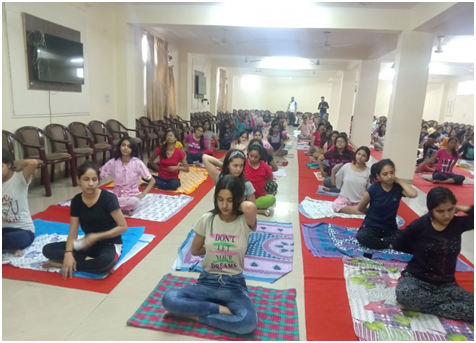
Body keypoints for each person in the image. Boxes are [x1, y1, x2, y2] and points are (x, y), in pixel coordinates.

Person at [161, 175, 258, 335]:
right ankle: (219, 310)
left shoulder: (244, 221)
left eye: (230, 200)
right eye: (220, 199)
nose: (224, 205)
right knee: (169, 299)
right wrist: (216, 248)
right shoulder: (207, 219)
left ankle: (193, 317)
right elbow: (195, 250)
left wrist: (238, 198)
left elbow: (250, 208)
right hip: (207, 282)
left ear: (238, 199)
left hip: (234, 285)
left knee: (247, 323)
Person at [393, 187, 474, 322]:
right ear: (431, 210)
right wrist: (418, 250)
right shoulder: (420, 225)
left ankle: (420, 307)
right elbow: (398, 243)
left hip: (447, 286)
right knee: (404, 294)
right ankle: (431, 304)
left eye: (450, 209)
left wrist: (460, 208)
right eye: (440, 211)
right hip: (417, 281)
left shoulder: (458, 224)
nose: (447, 215)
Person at [42, 161, 128, 278]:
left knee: (104, 262)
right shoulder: (77, 201)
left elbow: (123, 227)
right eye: (86, 179)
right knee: (48, 249)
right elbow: (73, 232)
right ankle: (84, 262)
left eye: (94, 179)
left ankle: (62, 265)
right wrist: (68, 253)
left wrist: (96, 236)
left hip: (109, 244)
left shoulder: (108, 198)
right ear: (78, 180)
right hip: (87, 244)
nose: (91, 183)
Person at [356, 159, 418, 250]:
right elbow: (361, 208)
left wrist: (399, 180)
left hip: (390, 228)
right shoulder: (373, 189)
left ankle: (379, 242)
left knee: (411, 236)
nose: (389, 176)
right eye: (385, 174)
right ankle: (388, 245)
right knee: (362, 236)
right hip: (371, 226)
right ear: (378, 176)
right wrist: (373, 214)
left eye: (392, 172)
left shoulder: (397, 189)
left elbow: (413, 194)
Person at [100, 137, 155, 215]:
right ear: (119, 147)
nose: (125, 148)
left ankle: (114, 209)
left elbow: (152, 180)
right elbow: (100, 174)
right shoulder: (113, 162)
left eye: (129, 146)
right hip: (116, 195)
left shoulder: (137, 163)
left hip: (131, 196)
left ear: (133, 149)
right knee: (102, 196)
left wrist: (143, 194)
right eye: (123, 145)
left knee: (134, 201)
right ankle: (122, 210)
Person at [2, 149, 37, 257]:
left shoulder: (19, 179)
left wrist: (17, 164)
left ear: (8, 164)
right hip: (3, 229)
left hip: (22, 230)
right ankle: (8, 248)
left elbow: (33, 163)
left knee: (14, 239)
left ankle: (8, 247)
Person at [330, 146, 371, 214]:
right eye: (359, 154)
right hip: (344, 199)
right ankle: (357, 210)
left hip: (360, 201)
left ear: (367, 159)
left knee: (370, 207)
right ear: (355, 155)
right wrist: (333, 170)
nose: (360, 157)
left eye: (363, 155)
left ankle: (355, 209)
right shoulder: (346, 167)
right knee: (336, 204)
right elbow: (336, 184)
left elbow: (369, 191)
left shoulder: (369, 172)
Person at [244, 143, 277, 215]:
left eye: (256, 157)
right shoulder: (243, 162)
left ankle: (247, 207)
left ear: (260, 156)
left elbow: (270, 178)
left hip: (258, 196)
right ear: (248, 153)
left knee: (272, 199)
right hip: (244, 196)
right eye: (251, 156)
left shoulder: (265, 166)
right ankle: (258, 210)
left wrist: (261, 182)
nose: (252, 159)